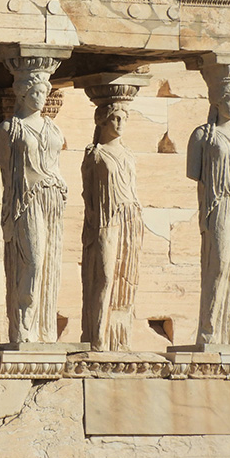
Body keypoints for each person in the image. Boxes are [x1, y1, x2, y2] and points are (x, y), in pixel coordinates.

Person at [0, 73, 68, 344]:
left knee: (49, 263)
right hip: (25, 200)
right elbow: (6, 174)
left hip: (53, 198)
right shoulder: (8, 130)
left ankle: (43, 330)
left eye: (44, 92)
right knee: (33, 261)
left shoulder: (53, 128)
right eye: (36, 92)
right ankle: (23, 326)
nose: (42, 98)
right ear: (22, 94)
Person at [186, 76, 230, 346]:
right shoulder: (202, 136)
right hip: (219, 202)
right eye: (229, 98)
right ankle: (209, 328)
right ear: (217, 100)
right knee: (220, 261)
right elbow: (198, 178)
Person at [80, 101, 143, 351]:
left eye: (123, 119)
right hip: (106, 219)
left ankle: (118, 339)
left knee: (126, 279)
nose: (120, 124)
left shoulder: (128, 154)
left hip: (130, 216)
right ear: (102, 121)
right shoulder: (95, 153)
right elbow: (87, 193)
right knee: (105, 276)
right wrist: (93, 223)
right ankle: (97, 337)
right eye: (115, 118)